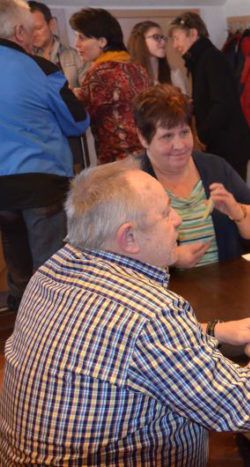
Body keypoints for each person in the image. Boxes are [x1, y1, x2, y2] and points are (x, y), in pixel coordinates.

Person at [0, 158, 250, 465]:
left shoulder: (50, 273)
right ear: (129, 237)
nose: (177, 219)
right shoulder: (150, 313)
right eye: (165, 213)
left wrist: (213, 330)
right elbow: (244, 407)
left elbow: (116, 344)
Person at [0, 0, 89, 312]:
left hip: (2, 187)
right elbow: (77, 121)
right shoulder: (41, 68)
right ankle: (56, 328)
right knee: (53, 271)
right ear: (19, 31)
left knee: (18, 266)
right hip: (42, 181)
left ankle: (22, 326)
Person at [133, 84, 250, 267]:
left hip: (229, 281)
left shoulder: (215, 167)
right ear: (143, 138)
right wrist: (172, 257)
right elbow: (120, 253)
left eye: (184, 132)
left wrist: (236, 210)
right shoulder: (132, 182)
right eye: (167, 136)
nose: (179, 145)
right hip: (168, 286)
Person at [169, 12, 250, 180]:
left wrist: (202, 136)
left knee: (229, 194)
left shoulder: (211, 59)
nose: (175, 45)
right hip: (222, 143)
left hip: (228, 145)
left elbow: (222, 104)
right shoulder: (201, 59)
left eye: (177, 38)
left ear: (193, 34)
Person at [71, 8, 151, 165]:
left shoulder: (99, 73)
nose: (76, 44)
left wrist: (68, 94)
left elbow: (79, 118)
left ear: (102, 41)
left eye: (82, 38)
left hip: (118, 163)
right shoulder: (137, 68)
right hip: (148, 157)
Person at [28, 1, 86, 88]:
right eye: (29, 29)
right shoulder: (25, 60)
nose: (33, 34)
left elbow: (88, 92)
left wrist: (72, 92)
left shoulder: (76, 57)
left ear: (51, 24)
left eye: (38, 28)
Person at [127, 20, 188, 94]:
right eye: (156, 37)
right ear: (141, 41)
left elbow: (184, 100)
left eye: (163, 37)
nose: (163, 42)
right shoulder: (129, 75)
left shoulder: (174, 74)